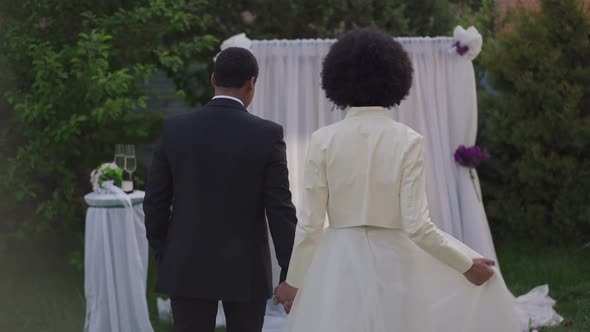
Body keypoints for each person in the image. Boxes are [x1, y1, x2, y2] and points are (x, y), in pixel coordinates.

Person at [274, 28, 521, 332]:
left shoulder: (323, 140)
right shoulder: (409, 141)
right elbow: (417, 226)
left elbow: (310, 225)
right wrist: (466, 265)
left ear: (336, 80)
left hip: (338, 260)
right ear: (396, 79)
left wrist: (294, 282)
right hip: (394, 261)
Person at [144, 47, 297, 332]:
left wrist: (166, 253)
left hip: (186, 263)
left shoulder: (175, 129)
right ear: (252, 83)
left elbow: (154, 202)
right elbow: (280, 210)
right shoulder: (267, 134)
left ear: (213, 79)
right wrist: (289, 272)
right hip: (246, 269)